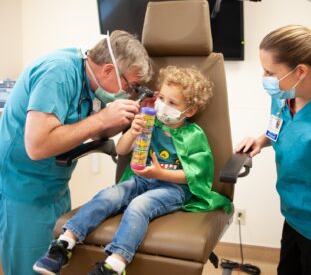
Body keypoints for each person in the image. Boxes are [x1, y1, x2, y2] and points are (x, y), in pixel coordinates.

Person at [33, 65, 232, 275]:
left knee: (139, 205)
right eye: (161, 98)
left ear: (189, 111)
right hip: (141, 180)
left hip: (173, 189)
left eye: (172, 103)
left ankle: (115, 264)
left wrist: (160, 174)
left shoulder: (193, 135)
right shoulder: (149, 122)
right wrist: (132, 132)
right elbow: (121, 150)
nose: (163, 105)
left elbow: (196, 176)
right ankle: (63, 245)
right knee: (109, 195)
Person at [0, 30, 153, 275]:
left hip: (55, 185)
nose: (130, 92)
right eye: (130, 85)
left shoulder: (91, 80)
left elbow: (96, 133)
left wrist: (119, 120)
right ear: (108, 70)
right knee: (28, 269)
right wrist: (102, 118)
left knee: (56, 262)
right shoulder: (58, 74)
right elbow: (37, 147)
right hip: (23, 187)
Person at [235, 25, 311, 275]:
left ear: (300, 71)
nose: (264, 77)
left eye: (270, 71)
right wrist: (261, 140)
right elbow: (280, 129)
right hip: (293, 217)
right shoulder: (282, 97)